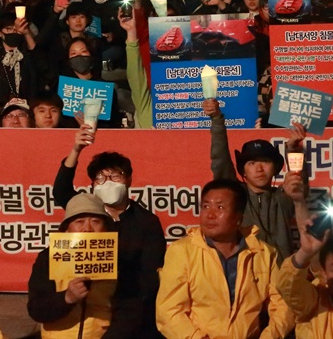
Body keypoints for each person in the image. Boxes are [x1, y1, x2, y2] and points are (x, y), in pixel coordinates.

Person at [52, 136, 166, 337]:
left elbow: (150, 274)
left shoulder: (146, 222)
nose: (108, 183)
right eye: (101, 178)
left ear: (128, 180)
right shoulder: (87, 213)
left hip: (129, 306)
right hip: (87, 302)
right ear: (93, 184)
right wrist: (76, 150)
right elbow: (61, 191)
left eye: (115, 176)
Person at [155, 179, 295, 339]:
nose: (210, 214)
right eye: (205, 206)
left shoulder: (263, 253)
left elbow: (284, 305)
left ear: (238, 218)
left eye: (220, 207)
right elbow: (169, 311)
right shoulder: (182, 251)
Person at [208, 97, 304, 261]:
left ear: (275, 169)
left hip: (280, 278)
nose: (259, 169)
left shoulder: (284, 197)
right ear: (243, 171)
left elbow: (297, 178)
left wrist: (292, 148)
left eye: (265, 162)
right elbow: (220, 160)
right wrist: (217, 120)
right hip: (244, 277)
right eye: (252, 163)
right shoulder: (236, 197)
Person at [27, 193, 117, 338]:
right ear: (66, 229)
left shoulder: (118, 259)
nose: (87, 229)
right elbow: (36, 309)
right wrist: (67, 298)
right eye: (79, 222)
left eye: (95, 221)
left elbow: (128, 308)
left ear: (106, 228)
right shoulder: (48, 257)